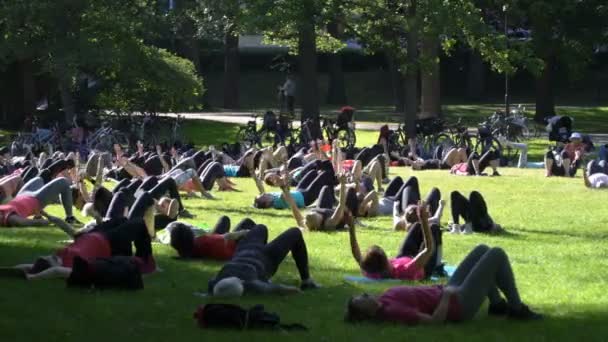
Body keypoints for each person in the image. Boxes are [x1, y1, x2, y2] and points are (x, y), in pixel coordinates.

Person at [345, 244, 543, 324]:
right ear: (365, 313)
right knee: (496, 254)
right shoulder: (391, 311)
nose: (363, 294)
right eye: (360, 299)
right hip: (458, 305)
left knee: (482, 249)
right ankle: (516, 309)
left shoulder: (384, 299)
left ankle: (497, 306)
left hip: (447, 291)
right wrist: (447, 296)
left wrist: (445, 291)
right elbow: (434, 322)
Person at [6, 192, 159, 280]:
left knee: (123, 219)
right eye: (51, 259)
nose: (51, 256)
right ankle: (147, 264)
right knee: (138, 223)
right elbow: (55, 272)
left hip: (97, 232)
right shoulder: (69, 267)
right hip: (108, 241)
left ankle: (129, 256)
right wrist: (33, 278)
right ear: (54, 266)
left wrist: (6, 269)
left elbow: (30, 266)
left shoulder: (61, 255)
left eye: (49, 257)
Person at [207, 224, 320, 296]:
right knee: (295, 232)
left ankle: (265, 277)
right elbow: (278, 289)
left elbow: (281, 289)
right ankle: (307, 281)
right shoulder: (251, 284)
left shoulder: (216, 285)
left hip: (245, 250)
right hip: (266, 258)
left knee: (260, 228)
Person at [348, 201, 443, 280]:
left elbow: (356, 254)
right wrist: (424, 220)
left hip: (403, 257)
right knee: (434, 228)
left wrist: (351, 228)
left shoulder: (370, 271)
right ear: (385, 262)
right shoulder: (406, 271)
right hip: (423, 266)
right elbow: (428, 249)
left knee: (416, 226)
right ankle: (438, 266)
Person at [0, 176, 80, 227]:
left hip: (22, 195)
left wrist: (42, 215)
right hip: (36, 200)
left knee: (39, 179)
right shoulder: (8, 218)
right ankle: (70, 217)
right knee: (63, 181)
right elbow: (25, 222)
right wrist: (46, 221)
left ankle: (53, 194)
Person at [168, 216, 255, 260]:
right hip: (226, 245)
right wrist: (244, 232)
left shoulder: (185, 250)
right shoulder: (203, 241)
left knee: (224, 219)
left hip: (213, 243)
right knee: (247, 222)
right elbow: (228, 237)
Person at [253, 168, 335, 209]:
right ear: (267, 203)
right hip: (305, 198)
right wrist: (281, 182)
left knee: (313, 172)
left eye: (262, 194)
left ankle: (331, 195)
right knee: (324, 175)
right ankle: (333, 194)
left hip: (299, 191)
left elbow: (260, 185)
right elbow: (285, 193)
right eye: (262, 196)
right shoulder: (277, 202)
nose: (263, 194)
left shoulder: (272, 195)